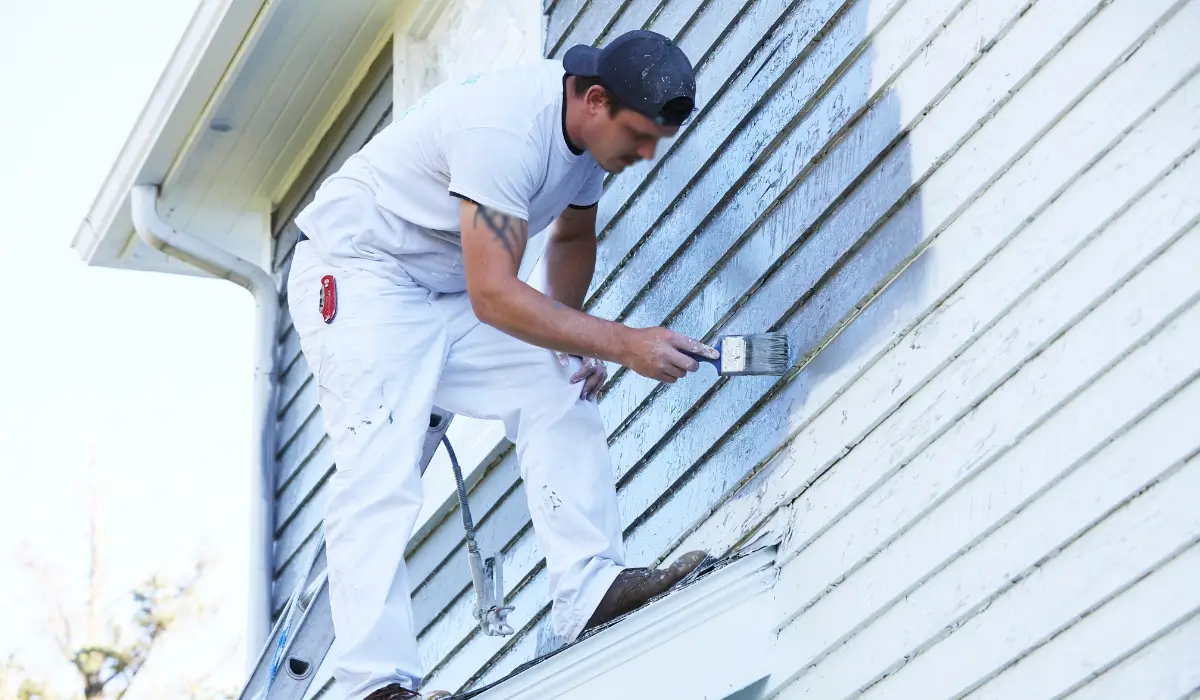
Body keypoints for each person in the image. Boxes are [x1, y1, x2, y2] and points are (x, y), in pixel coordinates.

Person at [285, 29, 716, 700]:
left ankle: (589, 587)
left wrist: (570, 341)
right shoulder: (510, 130)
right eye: (638, 136)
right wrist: (621, 341)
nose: (644, 153)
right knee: (381, 463)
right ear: (595, 100)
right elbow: (495, 295)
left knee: (559, 381)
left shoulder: (590, 142)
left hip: (445, 289)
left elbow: (572, 236)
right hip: (362, 272)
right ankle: (376, 682)